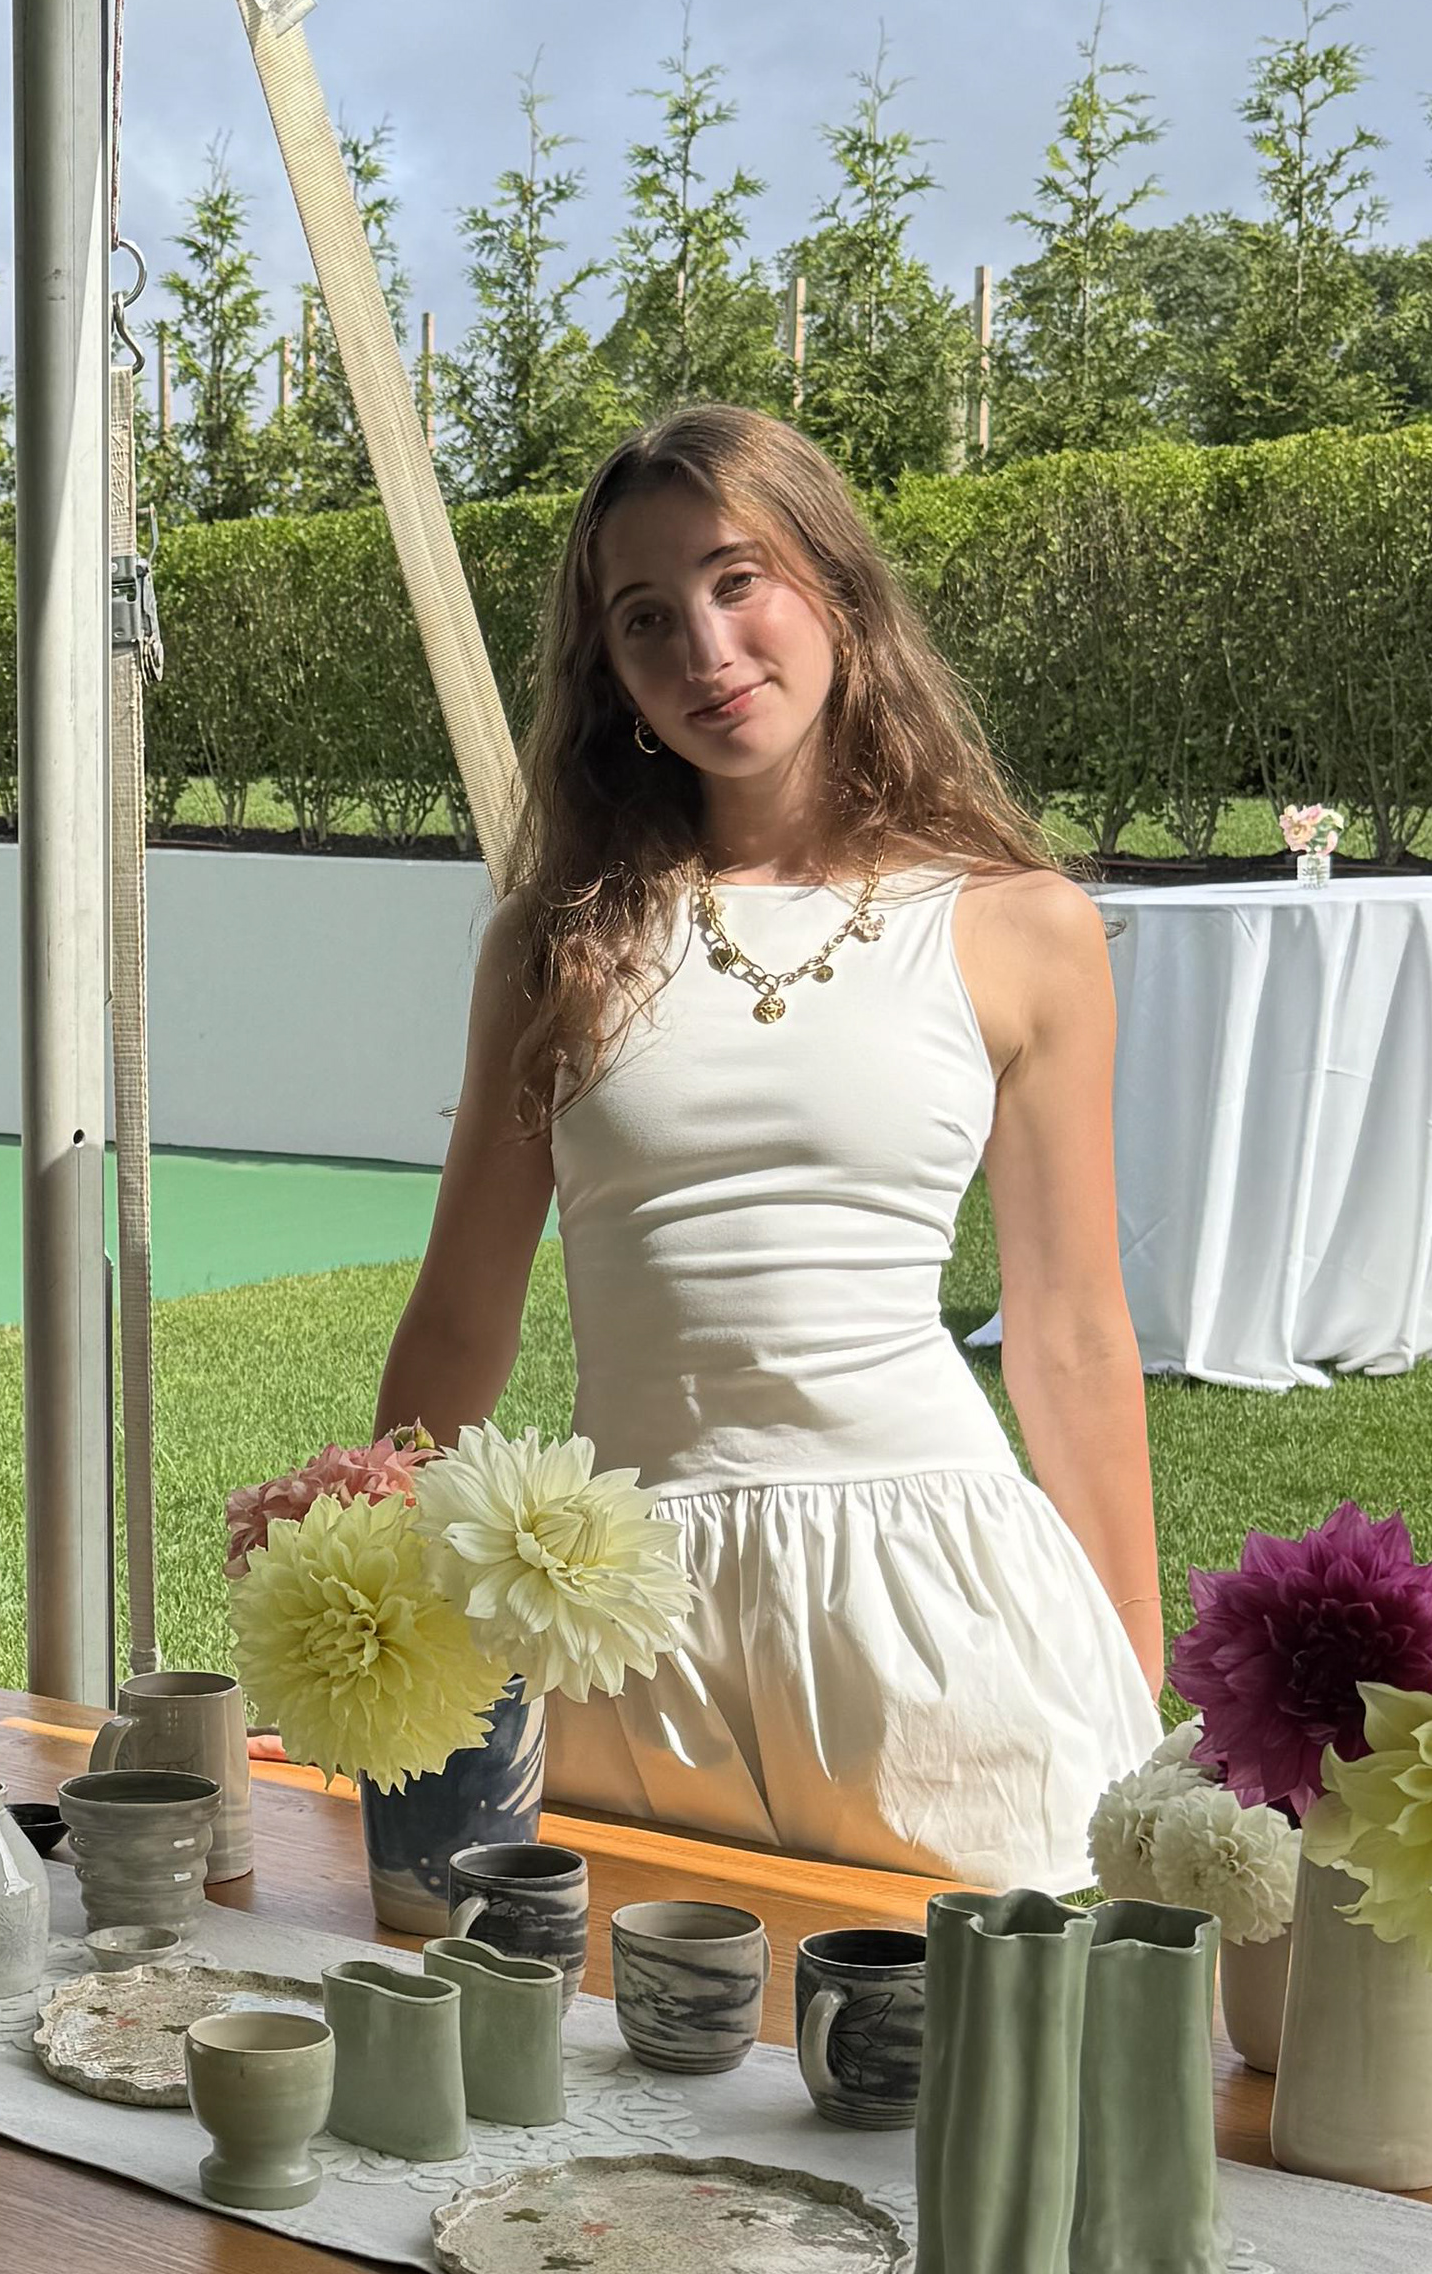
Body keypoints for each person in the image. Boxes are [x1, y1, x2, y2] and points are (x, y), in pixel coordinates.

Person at [376, 403, 1163, 1897]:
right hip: (623, 1618)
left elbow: (1068, 1330)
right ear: (609, 675)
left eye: (741, 581)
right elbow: (461, 1312)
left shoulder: (1019, 927)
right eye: (647, 616)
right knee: (622, 2075)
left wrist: (1136, 1676)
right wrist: (383, 1613)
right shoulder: (559, 945)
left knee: (983, 2071)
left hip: (934, 1599)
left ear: (840, 593)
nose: (706, 648)